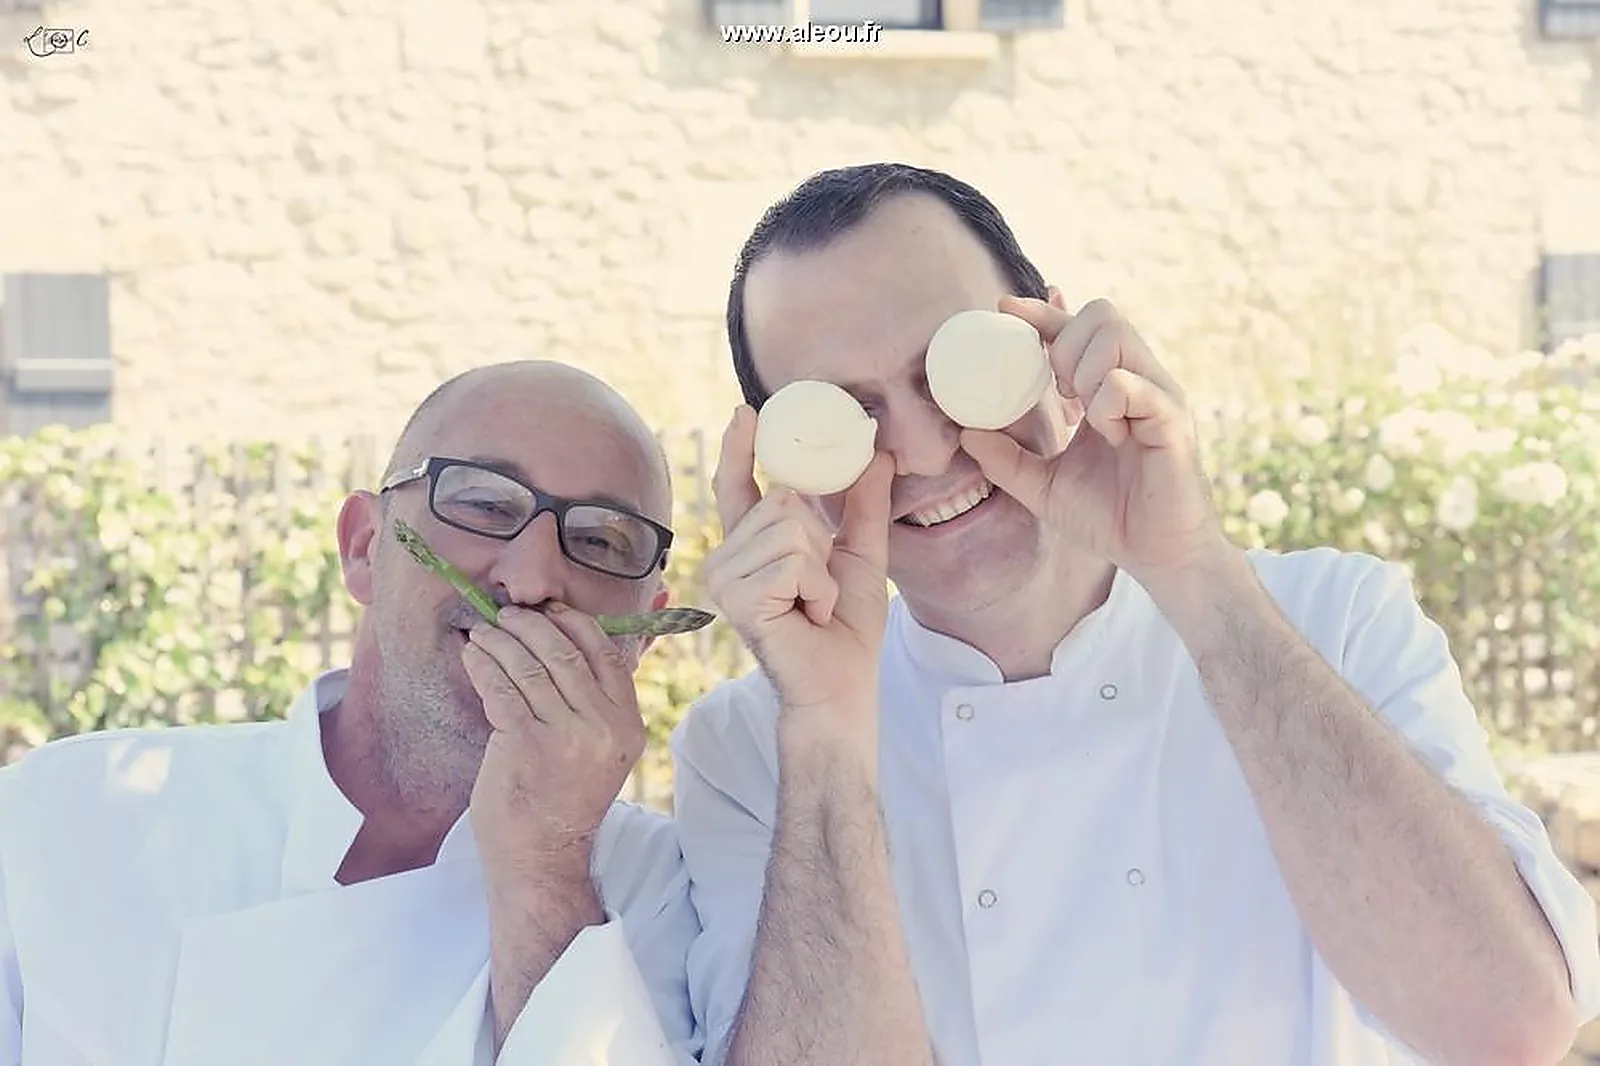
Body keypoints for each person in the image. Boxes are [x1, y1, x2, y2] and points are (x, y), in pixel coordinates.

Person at [670, 163, 1600, 1066]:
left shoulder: (1334, 619)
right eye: (845, 413)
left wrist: (1191, 567)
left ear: (1056, 337)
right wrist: (828, 728)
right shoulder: (755, 747)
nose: (919, 451)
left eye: (953, 368)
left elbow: (1508, 1029)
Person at [0, 361, 704, 1065]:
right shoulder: (63, 817)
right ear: (363, 547)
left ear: (645, 630)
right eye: (485, 504)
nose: (530, 580)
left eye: (602, 541)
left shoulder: (666, 893)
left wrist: (547, 864)